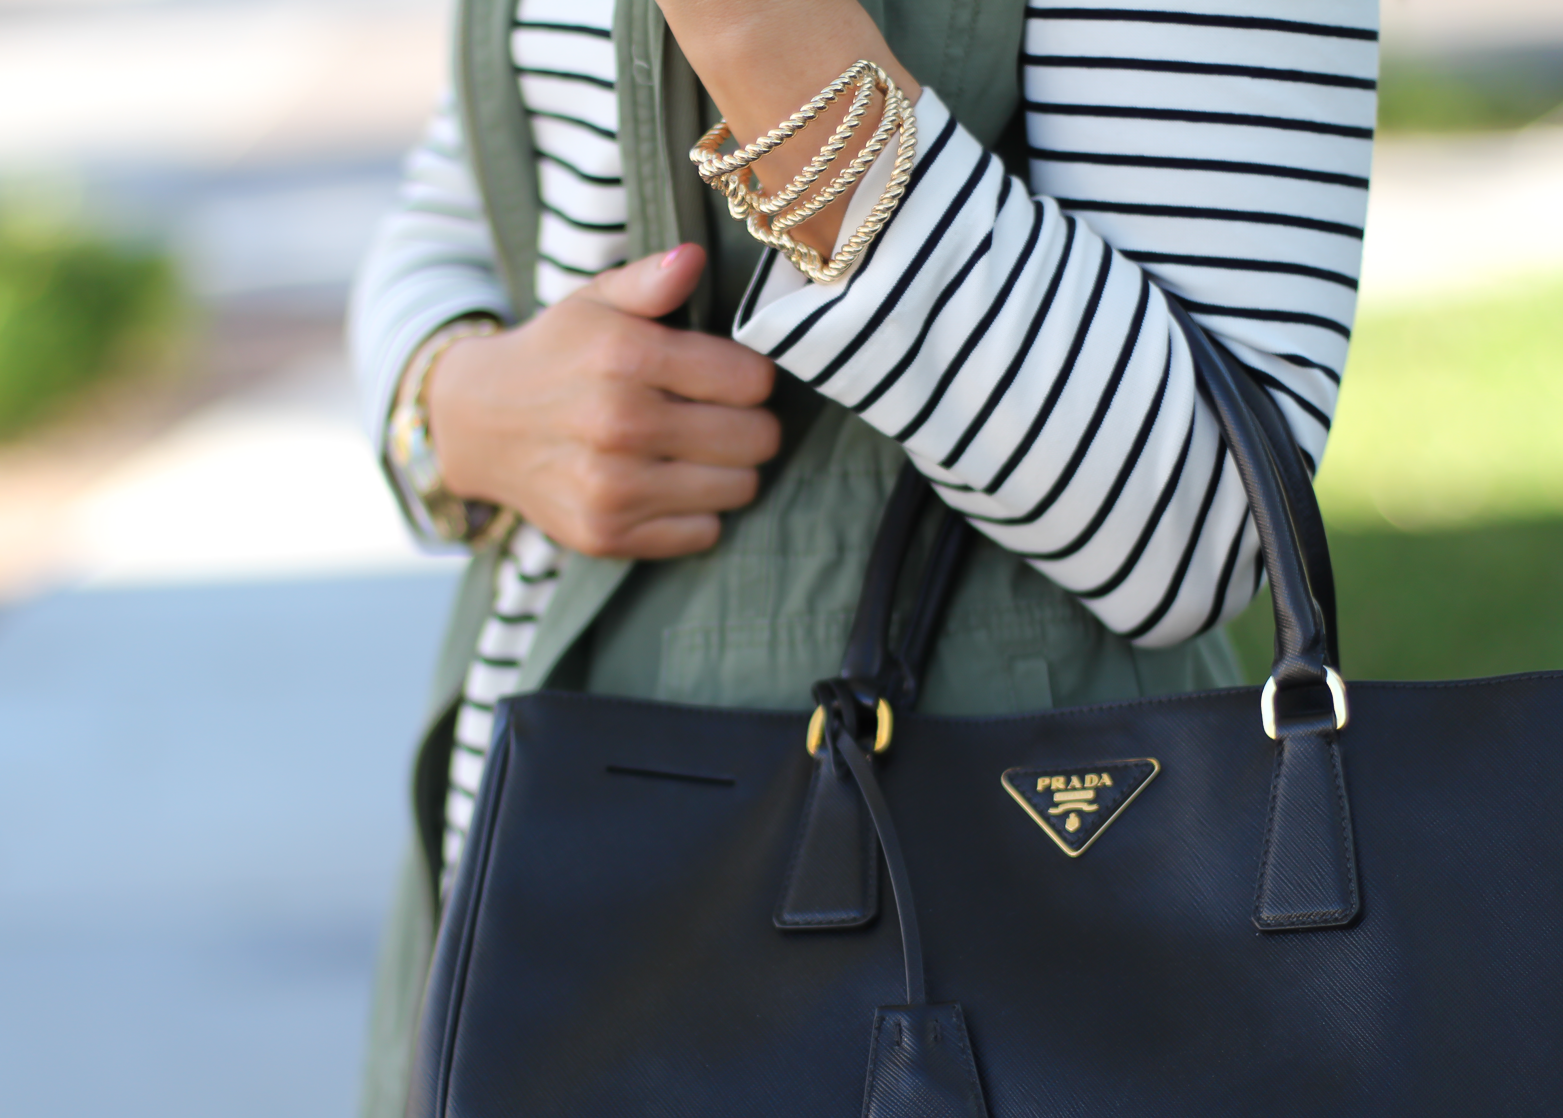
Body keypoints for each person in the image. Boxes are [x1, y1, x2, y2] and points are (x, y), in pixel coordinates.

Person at [348, 0, 1378, 1112]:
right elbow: (465, 185)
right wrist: (447, 411)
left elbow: (1193, 527)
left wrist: (753, 33)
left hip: (983, 949)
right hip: (496, 901)